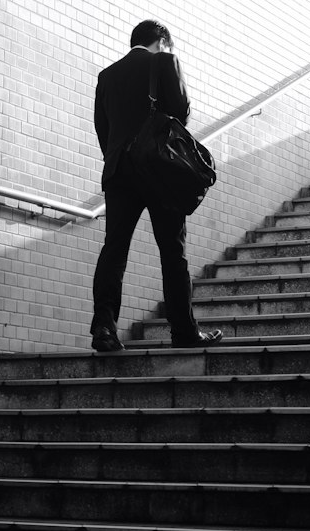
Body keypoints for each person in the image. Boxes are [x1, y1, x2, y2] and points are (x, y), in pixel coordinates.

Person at [90, 21, 223, 353]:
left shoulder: (107, 75)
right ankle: (184, 331)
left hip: (120, 171)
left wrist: (124, 158)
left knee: (114, 250)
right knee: (172, 254)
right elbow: (181, 114)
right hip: (160, 172)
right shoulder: (164, 62)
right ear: (161, 42)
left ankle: (104, 329)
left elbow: (103, 131)